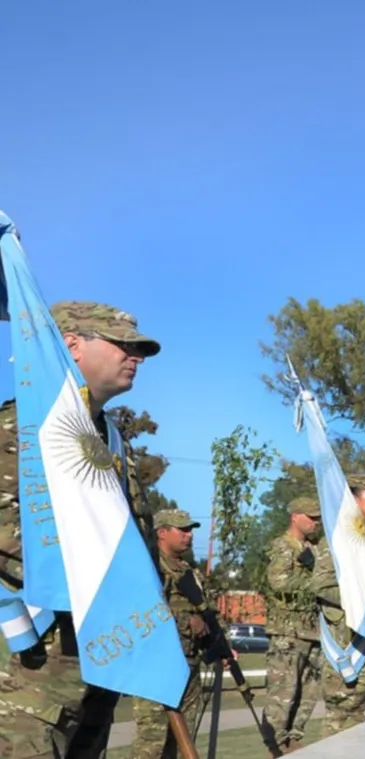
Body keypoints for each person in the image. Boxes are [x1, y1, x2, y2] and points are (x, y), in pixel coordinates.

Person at [0, 301, 160, 759]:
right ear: (71, 345)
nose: (136, 356)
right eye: (122, 344)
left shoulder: (109, 439)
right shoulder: (21, 428)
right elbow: (8, 536)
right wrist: (106, 580)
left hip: (97, 658)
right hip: (32, 669)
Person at [315, 473, 365, 736]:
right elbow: (322, 584)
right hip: (349, 650)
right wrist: (363, 599)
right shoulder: (337, 540)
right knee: (342, 735)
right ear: (354, 499)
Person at [129, 509, 210, 759]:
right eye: (183, 529)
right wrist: (188, 622)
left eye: (191, 530)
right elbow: (140, 612)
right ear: (162, 533)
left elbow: (210, 612)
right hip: (156, 667)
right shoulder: (150, 567)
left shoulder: (190, 572)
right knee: (152, 744)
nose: (189, 535)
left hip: (190, 664)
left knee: (183, 743)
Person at [261, 496, 326, 754]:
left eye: (317, 518)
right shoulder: (283, 547)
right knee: (284, 691)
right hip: (287, 631)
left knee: (309, 689)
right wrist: (316, 583)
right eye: (311, 517)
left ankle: (294, 736)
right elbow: (278, 582)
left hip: (313, 630)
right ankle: (275, 744)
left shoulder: (315, 549)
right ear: (295, 517)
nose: (315, 522)